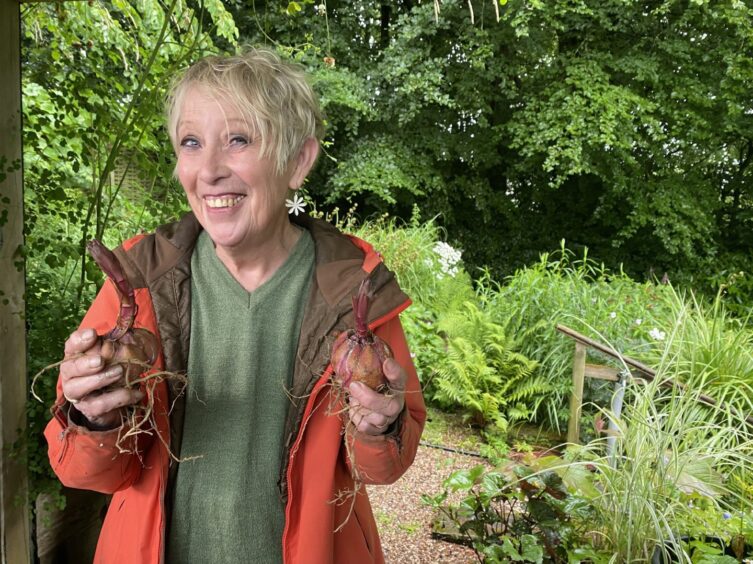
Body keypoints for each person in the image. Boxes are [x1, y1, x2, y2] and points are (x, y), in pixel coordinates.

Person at [44, 48, 426, 564]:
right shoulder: (136, 283)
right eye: (191, 142)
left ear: (298, 161)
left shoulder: (355, 294)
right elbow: (86, 472)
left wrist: (380, 425)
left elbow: (381, 467)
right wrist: (93, 420)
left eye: (239, 140)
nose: (210, 170)